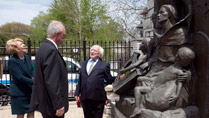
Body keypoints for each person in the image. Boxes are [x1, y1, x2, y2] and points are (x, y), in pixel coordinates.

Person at [130, 47, 195, 117]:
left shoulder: (179, 71)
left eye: (177, 55)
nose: (175, 55)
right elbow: (164, 72)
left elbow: (180, 83)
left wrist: (176, 95)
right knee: (140, 79)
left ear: (179, 58)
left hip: (155, 88)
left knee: (137, 89)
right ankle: (139, 101)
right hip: (154, 81)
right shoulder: (173, 66)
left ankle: (137, 108)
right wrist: (154, 74)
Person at [30, 20, 68, 118]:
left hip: (46, 102)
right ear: (56, 34)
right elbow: (52, 81)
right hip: (52, 105)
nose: (63, 39)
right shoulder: (51, 50)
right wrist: (58, 105)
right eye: (63, 36)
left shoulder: (43, 48)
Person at [74, 45, 115, 118]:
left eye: (94, 50)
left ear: (100, 54)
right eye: (91, 50)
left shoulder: (104, 65)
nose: (92, 52)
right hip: (85, 98)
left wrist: (118, 77)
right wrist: (77, 92)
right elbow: (80, 79)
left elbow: (109, 79)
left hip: (98, 98)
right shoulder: (84, 64)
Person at [6, 38, 34, 118]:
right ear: (15, 48)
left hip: (29, 91)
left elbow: (32, 70)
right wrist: (34, 82)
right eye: (21, 44)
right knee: (21, 114)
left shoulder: (26, 57)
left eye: (23, 43)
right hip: (19, 93)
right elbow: (20, 77)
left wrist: (37, 78)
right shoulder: (12, 60)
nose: (24, 45)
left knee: (31, 112)